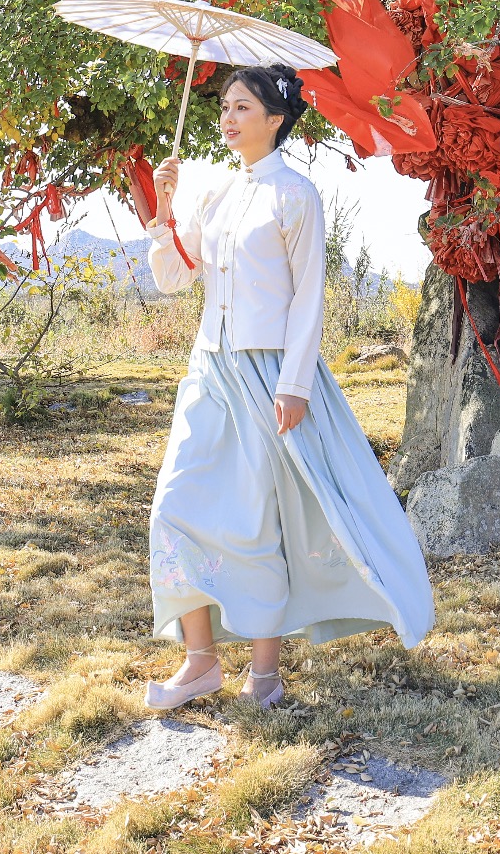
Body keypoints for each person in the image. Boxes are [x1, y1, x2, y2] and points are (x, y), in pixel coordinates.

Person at [142, 64, 434, 710]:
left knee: (258, 520)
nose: (228, 117)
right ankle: (199, 661)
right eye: (224, 106)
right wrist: (165, 210)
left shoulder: (295, 194)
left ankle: (265, 674)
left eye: (243, 107)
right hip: (209, 370)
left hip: (271, 375)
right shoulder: (213, 193)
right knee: (174, 508)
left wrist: (295, 384)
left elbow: (306, 301)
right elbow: (174, 280)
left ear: (276, 120)